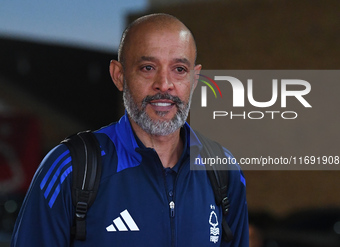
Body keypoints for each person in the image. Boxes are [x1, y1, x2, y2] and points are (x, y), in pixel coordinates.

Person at [11, 13, 249, 246]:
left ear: (194, 79)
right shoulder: (70, 167)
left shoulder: (223, 169)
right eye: (147, 67)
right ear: (119, 75)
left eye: (179, 69)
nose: (164, 84)